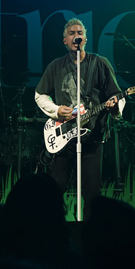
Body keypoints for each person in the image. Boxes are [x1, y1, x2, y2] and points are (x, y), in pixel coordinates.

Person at [35, 18, 124, 201]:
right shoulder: (56, 66)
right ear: (65, 40)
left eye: (80, 33)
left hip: (92, 139)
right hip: (64, 138)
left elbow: (117, 95)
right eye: (72, 33)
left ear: (85, 39)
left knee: (92, 192)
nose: (76, 36)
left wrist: (115, 107)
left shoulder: (99, 63)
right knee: (55, 189)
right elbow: (40, 95)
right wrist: (56, 110)